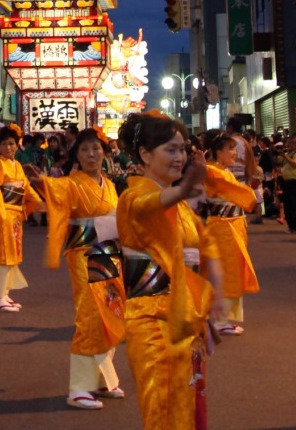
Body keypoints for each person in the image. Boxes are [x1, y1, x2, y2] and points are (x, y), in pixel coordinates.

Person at [115, 111, 216, 429]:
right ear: (144, 155)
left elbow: (198, 257)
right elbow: (151, 205)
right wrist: (184, 188)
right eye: (170, 149)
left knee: (186, 408)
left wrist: (206, 311)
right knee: (164, 411)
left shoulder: (180, 206)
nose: (180, 156)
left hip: (184, 320)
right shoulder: (134, 198)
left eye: (183, 148)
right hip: (153, 323)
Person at [40, 127, 128, 410]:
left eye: (96, 148)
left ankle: (101, 380)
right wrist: (39, 183)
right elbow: (54, 192)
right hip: (84, 254)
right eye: (85, 150)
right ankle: (78, 387)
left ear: (105, 151)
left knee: (111, 313)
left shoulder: (110, 185)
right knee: (90, 315)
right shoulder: (70, 183)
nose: (92, 154)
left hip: (109, 254)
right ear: (76, 155)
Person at [197, 129, 259, 336]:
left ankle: (221, 318)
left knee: (231, 272)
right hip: (222, 228)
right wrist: (252, 196)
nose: (234, 154)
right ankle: (219, 318)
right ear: (217, 152)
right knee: (225, 273)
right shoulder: (213, 172)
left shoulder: (221, 171)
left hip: (230, 226)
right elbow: (243, 196)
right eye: (230, 150)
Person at [0, 123, 43, 311]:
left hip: (15, 213)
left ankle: (5, 293)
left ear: (17, 145)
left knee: (13, 253)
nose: (8, 148)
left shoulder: (17, 166)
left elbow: (26, 187)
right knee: (3, 253)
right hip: (1, 212)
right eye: (5, 144)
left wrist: (41, 203)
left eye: (12, 144)